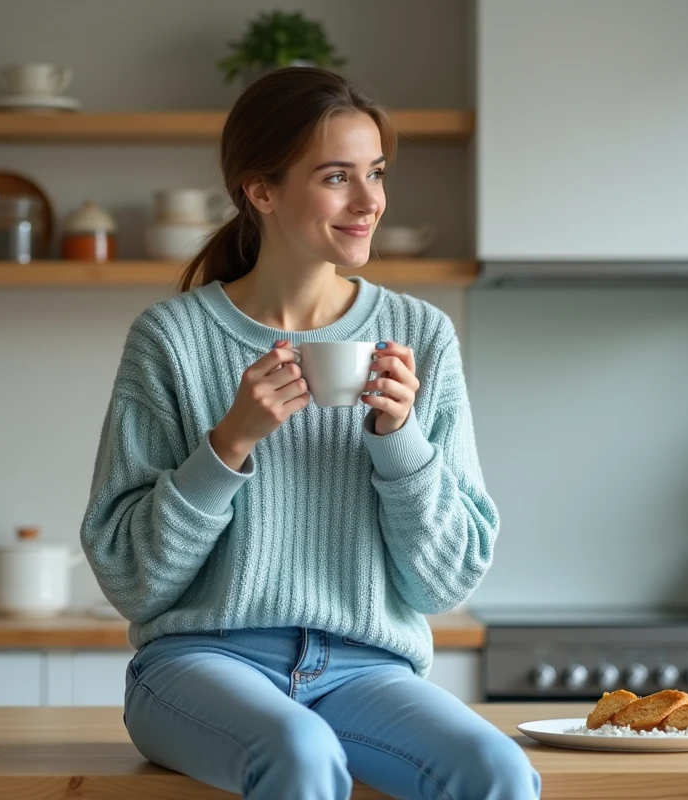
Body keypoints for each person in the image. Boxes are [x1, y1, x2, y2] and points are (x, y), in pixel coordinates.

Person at [80, 67, 540, 800]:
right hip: (201, 664)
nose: (370, 202)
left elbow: (445, 581)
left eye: (377, 173)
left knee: (498, 771)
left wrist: (400, 442)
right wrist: (228, 444)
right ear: (261, 191)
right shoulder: (171, 339)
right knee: (300, 753)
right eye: (337, 178)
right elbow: (133, 583)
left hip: (367, 669)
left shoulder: (422, 335)